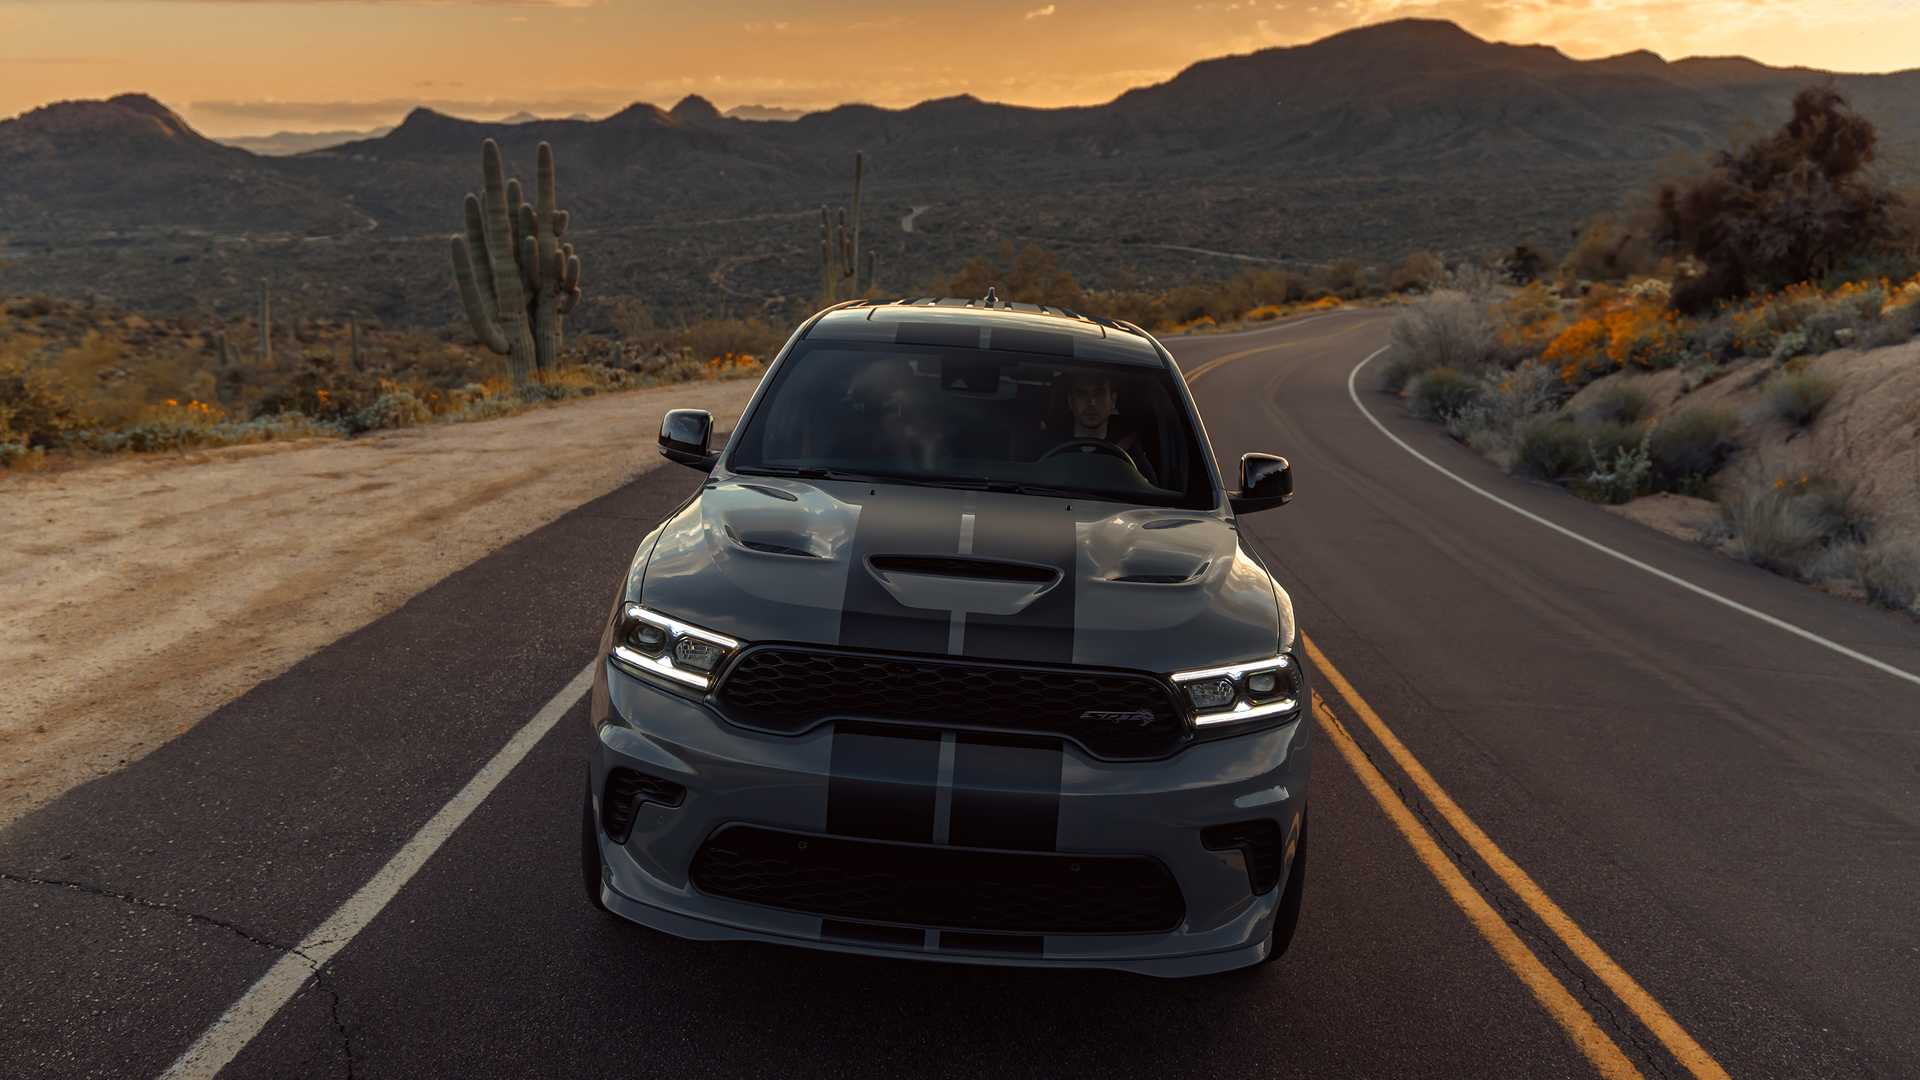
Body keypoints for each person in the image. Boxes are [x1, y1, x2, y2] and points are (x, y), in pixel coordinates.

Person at [1057, 371, 1158, 484]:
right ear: (1070, 401)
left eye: (1099, 393)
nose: (1091, 402)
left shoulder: (1129, 448)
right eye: (1082, 394)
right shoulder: (1051, 442)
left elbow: (1150, 491)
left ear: (1113, 401)